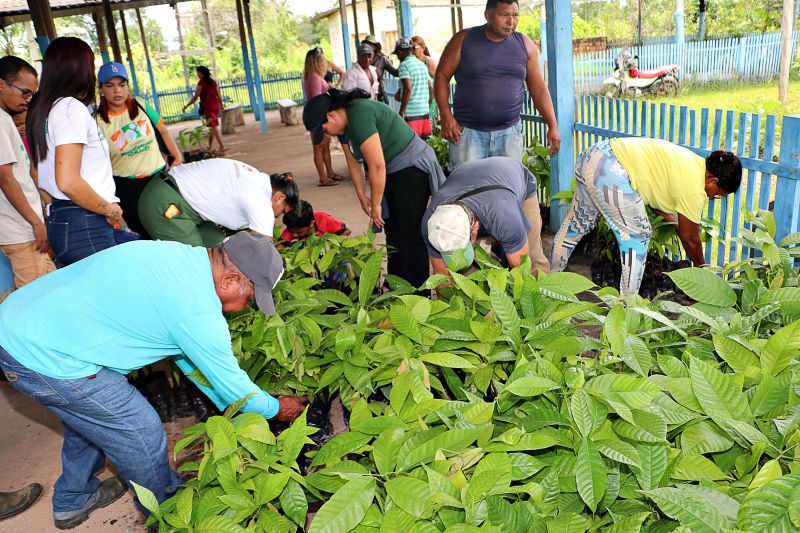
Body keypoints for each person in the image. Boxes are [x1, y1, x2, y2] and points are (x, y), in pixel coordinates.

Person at [0, 232, 307, 528]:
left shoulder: (176, 257)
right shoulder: (198, 313)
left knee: (94, 416)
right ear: (230, 281)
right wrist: (277, 408)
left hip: (18, 320)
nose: (247, 307)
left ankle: (74, 498)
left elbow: (195, 366)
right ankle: (168, 516)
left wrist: (230, 408)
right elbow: (234, 385)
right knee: (139, 431)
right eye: (250, 298)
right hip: (41, 354)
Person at [551, 138, 742, 298]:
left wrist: (675, 223)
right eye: (718, 194)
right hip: (611, 170)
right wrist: (703, 271)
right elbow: (690, 238)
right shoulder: (695, 188)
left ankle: (549, 283)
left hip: (594, 156)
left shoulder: (692, 163)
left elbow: (657, 199)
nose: (713, 197)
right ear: (713, 180)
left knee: (574, 227)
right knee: (639, 236)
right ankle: (627, 308)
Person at [303, 89, 445, 288]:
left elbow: (377, 166)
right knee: (393, 231)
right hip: (392, 170)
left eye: (324, 130)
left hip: (412, 167)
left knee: (410, 233)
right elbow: (353, 161)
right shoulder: (343, 126)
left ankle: (417, 292)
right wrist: (362, 195)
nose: (326, 135)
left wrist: (376, 204)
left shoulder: (359, 114)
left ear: (331, 115)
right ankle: (397, 287)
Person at [26, 37, 123, 268]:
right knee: (108, 288)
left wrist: (60, 210)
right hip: (85, 221)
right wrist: (109, 210)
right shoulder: (70, 109)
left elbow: (37, 173)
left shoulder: (42, 110)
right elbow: (68, 181)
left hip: (64, 218)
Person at [434, 0, 560, 169]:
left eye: (515, 15)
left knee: (507, 183)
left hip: (509, 135)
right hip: (468, 134)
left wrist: (552, 125)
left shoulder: (525, 45)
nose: (511, 22)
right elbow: (441, 76)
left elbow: (538, 88)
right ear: (488, 15)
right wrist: (445, 114)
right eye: (504, 15)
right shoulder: (463, 40)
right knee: (468, 184)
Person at [95, 62, 183, 239]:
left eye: (122, 85)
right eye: (110, 86)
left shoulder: (141, 105)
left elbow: (163, 131)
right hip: (127, 189)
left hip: (157, 181)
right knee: (145, 234)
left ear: (128, 86)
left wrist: (177, 158)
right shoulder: (96, 122)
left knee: (174, 223)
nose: (117, 91)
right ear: (101, 89)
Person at [423, 156, 549, 275]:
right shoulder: (432, 224)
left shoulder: (506, 218)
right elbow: (442, 276)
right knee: (464, 272)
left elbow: (522, 274)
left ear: (475, 227)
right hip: (470, 179)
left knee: (532, 261)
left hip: (512, 178)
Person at [138, 159, 298, 247]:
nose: (277, 216)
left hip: (177, 196)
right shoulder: (261, 202)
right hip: (167, 205)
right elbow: (262, 252)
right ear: (280, 197)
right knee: (198, 264)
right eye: (282, 211)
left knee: (220, 248)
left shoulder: (257, 177)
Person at [0, 56, 55, 294]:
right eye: (24, 93)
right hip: (21, 231)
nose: (28, 100)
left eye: (32, 94)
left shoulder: (5, 119)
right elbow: (5, 178)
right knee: (36, 300)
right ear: (1, 85)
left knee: (52, 290)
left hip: (25, 228)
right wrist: (35, 222)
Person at [304, 48, 344, 187]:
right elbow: (317, 100)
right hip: (318, 117)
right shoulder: (314, 77)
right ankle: (323, 177)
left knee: (325, 146)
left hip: (319, 115)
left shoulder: (313, 76)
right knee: (319, 147)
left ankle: (330, 173)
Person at [394, 37, 432, 139]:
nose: (397, 57)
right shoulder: (422, 65)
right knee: (424, 144)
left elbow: (408, 88)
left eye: (397, 54)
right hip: (424, 114)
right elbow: (430, 87)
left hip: (411, 115)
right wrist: (427, 105)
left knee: (410, 144)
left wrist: (402, 111)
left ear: (400, 52)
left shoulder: (404, 65)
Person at [182, 66, 224, 153]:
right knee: (212, 127)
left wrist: (187, 106)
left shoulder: (201, 82)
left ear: (201, 73)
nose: (197, 75)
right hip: (215, 105)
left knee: (214, 127)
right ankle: (209, 146)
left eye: (198, 73)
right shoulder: (213, 82)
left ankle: (222, 146)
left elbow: (196, 96)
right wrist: (221, 105)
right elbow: (218, 94)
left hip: (208, 106)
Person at [279, 199, 350, 242]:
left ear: (311, 223)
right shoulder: (293, 226)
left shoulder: (324, 220)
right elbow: (280, 245)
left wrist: (328, 245)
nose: (294, 235)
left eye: (299, 232)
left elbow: (346, 231)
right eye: (292, 232)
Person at [361, 35, 399, 105]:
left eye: (369, 44)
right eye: (365, 44)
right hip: (366, 97)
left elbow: (396, 73)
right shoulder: (362, 61)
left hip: (380, 97)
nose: (367, 46)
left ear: (375, 47)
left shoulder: (382, 60)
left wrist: (404, 60)